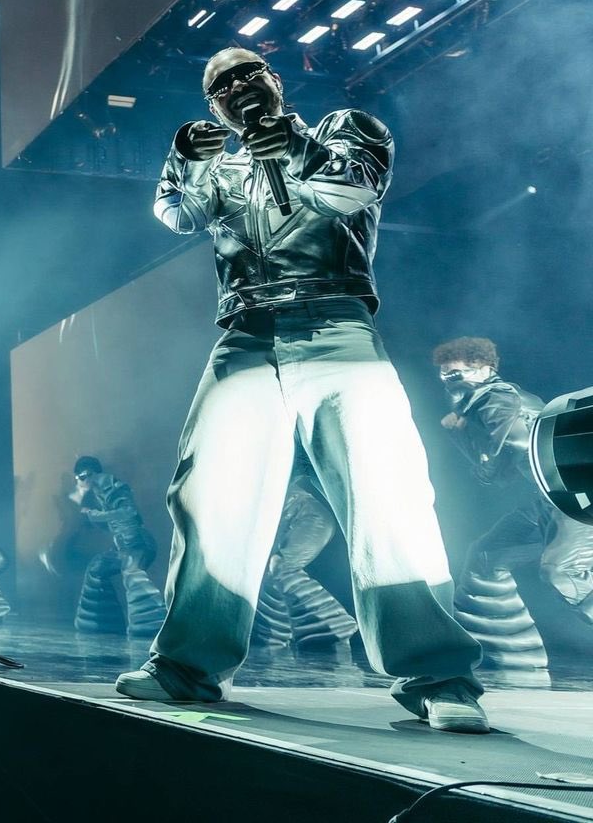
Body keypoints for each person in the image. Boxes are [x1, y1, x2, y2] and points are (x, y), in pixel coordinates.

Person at [115, 46, 488, 734]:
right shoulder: (220, 170)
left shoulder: (344, 127)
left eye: (246, 73)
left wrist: (292, 148)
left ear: (274, 81)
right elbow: (176, 215)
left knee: (388, 496)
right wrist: (185, 160)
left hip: (335, 323)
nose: (234, 87)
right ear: (213, 108)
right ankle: (185, 668)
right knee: (209, 499)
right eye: (219, 85)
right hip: (245, 336)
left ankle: (439, 677)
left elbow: (356, 189)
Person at [433, 336, 593, 670]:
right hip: (549, 499)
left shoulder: (494, 397)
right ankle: (511, 656)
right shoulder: (504, 397)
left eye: (457, 374)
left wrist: (462, 434)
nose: (449, 381)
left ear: (485, 369)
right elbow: (504, 471)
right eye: (445, 375)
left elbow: (501, 459)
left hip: (569, 498)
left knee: (561, 570)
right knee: (486, 555)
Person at [251, 456, 359, 653]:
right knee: (268, 573)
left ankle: (334, 626)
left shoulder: (252, 484)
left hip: (312, 521)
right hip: (305, 521)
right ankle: (272, 636)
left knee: (280, 566)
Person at [71, 456, 165, 637]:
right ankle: (101, 624)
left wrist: (95, 515)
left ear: (87, 474)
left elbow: (128, 512)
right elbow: (114, 522)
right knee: (97, 568)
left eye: (79, 478)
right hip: (124, 546)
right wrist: (94, 519)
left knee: (132, 571)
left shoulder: (111, 485)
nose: (79, 483)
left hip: (137, 543)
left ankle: (151, 625)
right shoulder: (101, 490)